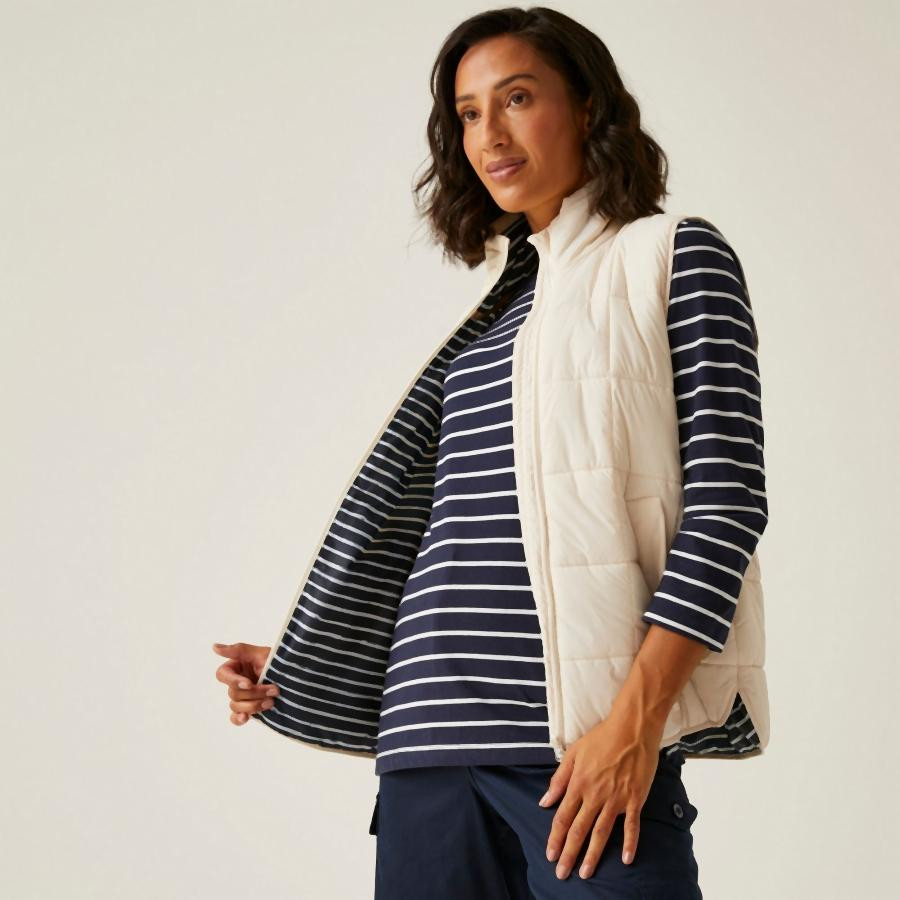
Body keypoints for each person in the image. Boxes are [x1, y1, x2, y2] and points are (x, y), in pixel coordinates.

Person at [213, 7, 769, 898]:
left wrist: (634, 724)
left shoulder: (670, 257)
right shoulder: (495, 315)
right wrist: (301, 660)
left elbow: (727, 504)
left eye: (516, 98)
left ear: (587, 106)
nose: (490, 135)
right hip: (426, 743)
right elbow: (460, 531)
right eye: (468, 113)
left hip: (577, 747)